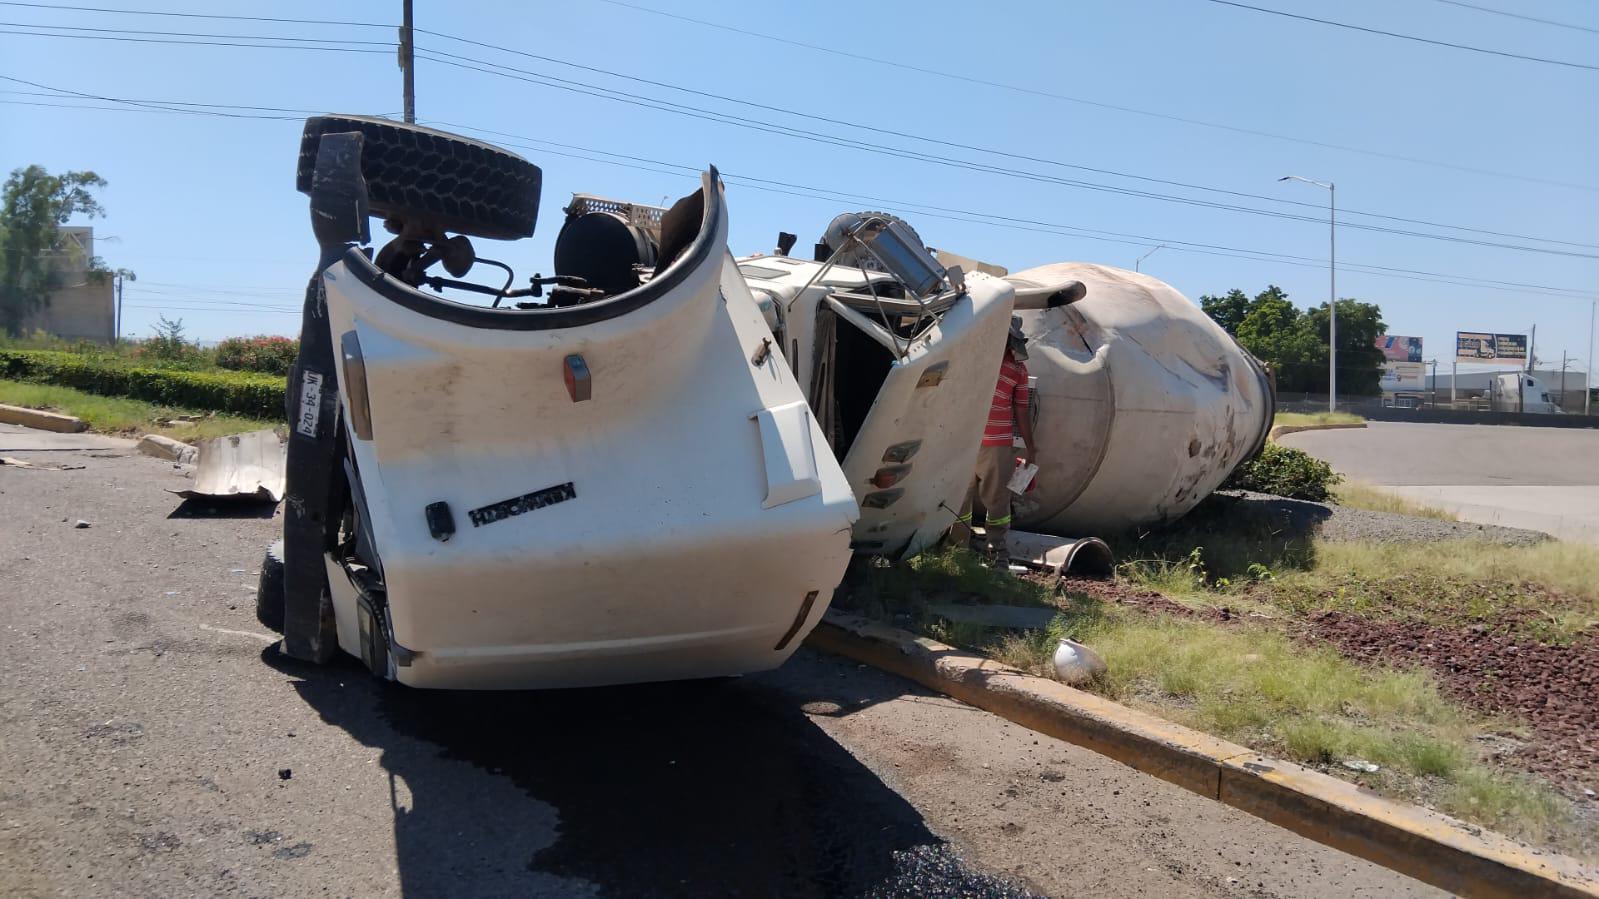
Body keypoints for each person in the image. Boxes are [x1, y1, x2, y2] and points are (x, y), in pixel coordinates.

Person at [952, 317, 1037, 565]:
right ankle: (974, 549)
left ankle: (979, 550)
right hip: (977, 442)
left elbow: (1021, 409)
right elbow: (1020, 411)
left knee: (982, 498)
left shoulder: (1009, 369)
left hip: (982, 443)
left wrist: (1031, 448)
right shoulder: (982, 363)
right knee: (974, 497)